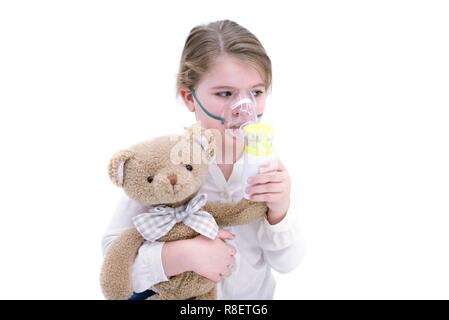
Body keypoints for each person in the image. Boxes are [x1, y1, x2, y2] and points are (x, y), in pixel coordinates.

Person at [102, 19, 305, 300]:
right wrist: (180, 255)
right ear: (189, 97)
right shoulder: (166, 163)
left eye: (256, 93)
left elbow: (288, 263)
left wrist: (280, 212)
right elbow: (113, 257)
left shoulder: (267, 161)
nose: (243, 109)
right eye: (225, 93)